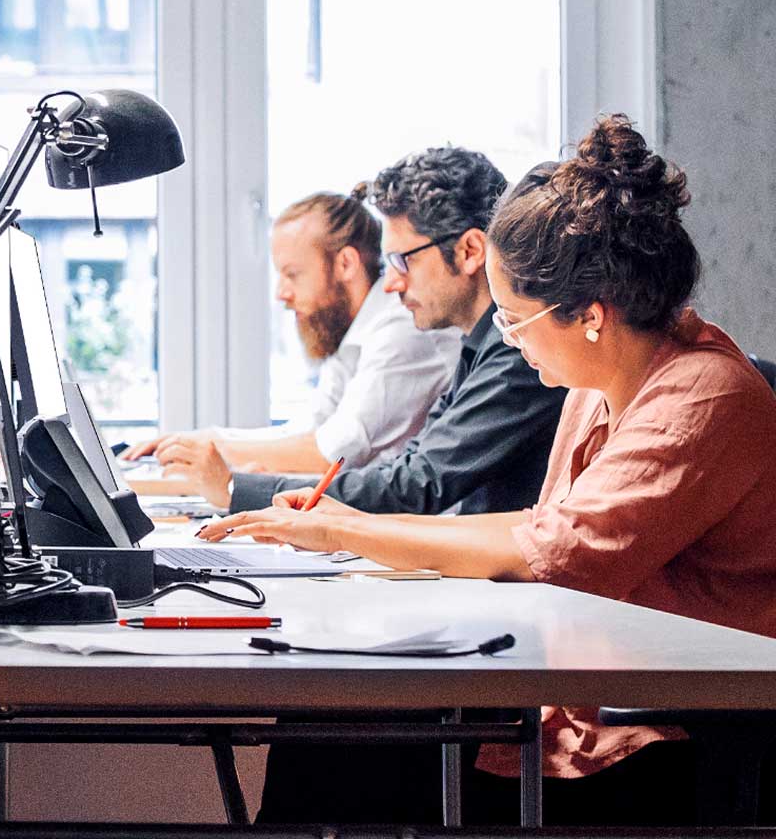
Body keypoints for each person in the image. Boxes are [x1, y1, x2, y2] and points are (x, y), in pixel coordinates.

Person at [200, 116, 776, 825]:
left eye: (514, 320)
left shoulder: (701, 395)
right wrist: (353, 524)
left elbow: (555, 556)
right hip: (606, 689)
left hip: (675, 732)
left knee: (335, 753)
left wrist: (352, 536)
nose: (508, 340)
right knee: (322, 734)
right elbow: (550, 526)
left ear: (590, 315)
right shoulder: (605, 382)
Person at [163, 146, 567, 514]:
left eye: (403, 261)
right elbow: (411, 467)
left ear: (469, 251)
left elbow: (417, 486)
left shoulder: (520, 350)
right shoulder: (479, 344)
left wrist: (241, 491)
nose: (390, 283)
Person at [126, 192, 459, 493]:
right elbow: (312, 428)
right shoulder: (352, 334)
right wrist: (201, 441)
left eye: (292, 274)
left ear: (346, 263)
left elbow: (331, 453)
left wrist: (213, 449)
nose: (281, 294)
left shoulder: (403, 328)